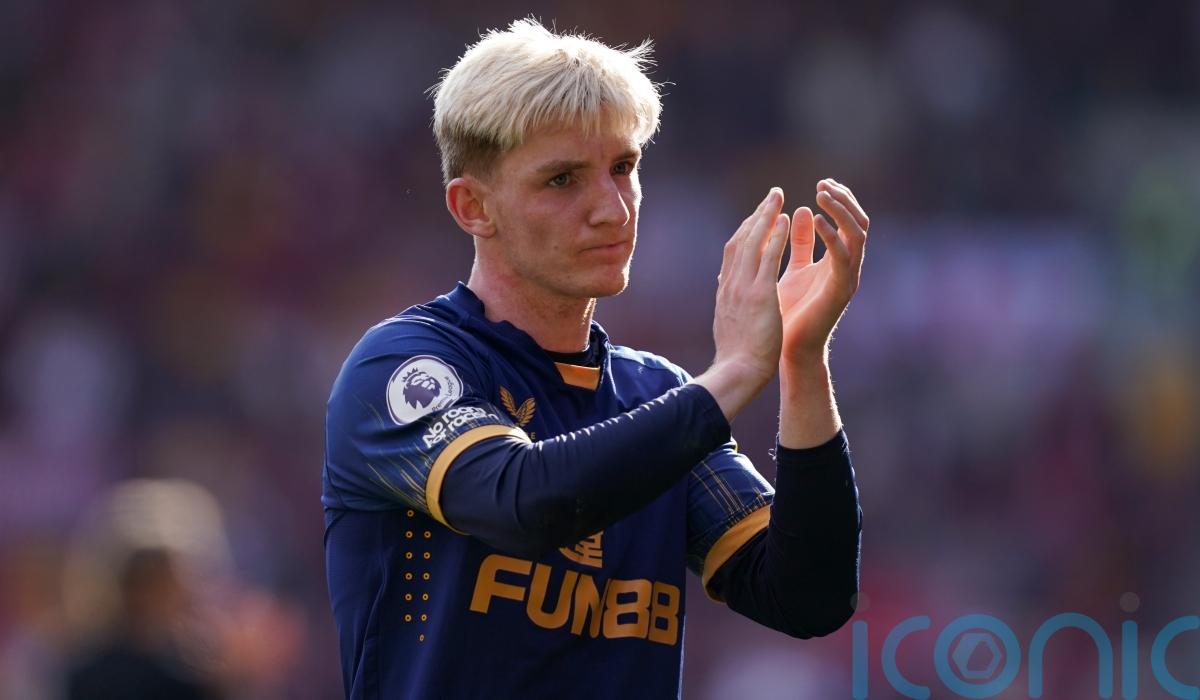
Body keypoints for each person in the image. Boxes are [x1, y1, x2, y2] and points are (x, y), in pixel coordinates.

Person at [323, 18, 868, 699]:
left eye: (623, 168)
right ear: (473, 207)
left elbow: (809, 596)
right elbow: (521, 503)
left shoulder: (655, 397)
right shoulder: (403, 366)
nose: (612, 210)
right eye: (562, 180)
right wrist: (732, 374)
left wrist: (799, 362)